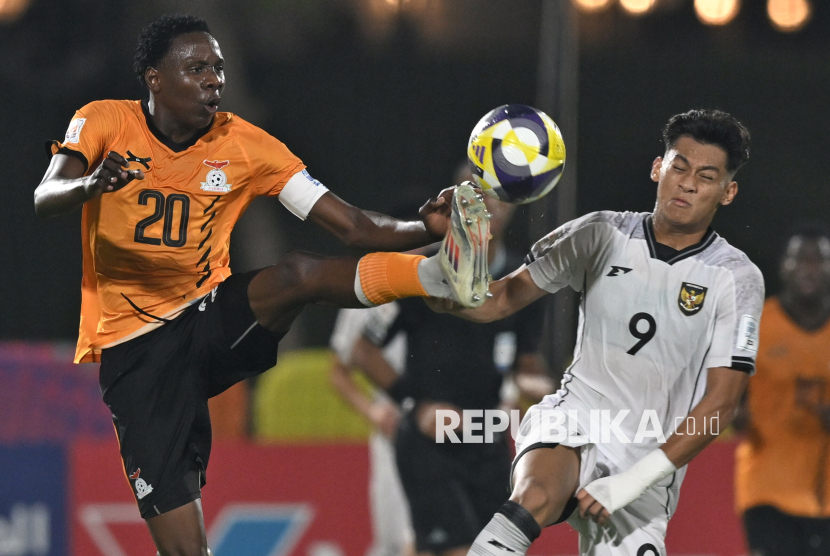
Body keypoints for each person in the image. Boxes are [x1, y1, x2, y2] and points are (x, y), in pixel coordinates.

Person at [33, 14, 489, 556]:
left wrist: (426, 229)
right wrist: (90, 183)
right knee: (185, 551)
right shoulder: (104, 121)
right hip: (136, 358)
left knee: (298, 273)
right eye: (197, 67)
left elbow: (354, 226)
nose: (213, 80)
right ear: (154, 77)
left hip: (206, 320)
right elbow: (46, 195)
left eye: (219, 69)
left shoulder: (245, 144)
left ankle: (436, 274)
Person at [431, 109, 765, 555]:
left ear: (728, 192)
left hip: (651, 458)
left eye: (706, 176)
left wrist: (630, 483)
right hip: (576, 418)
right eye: (678, 166)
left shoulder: (735, 277)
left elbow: (721, 403)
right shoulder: (600, 233)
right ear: (657, 168)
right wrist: (444, 279)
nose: (687, 183)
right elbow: (499, 300)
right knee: (532, 499)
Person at [350, 193, 548, 556]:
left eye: (500, 197)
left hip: (486, 433)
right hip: (430, 439)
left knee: (497, 550)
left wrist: (558, 398)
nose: (491, 207)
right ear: (460, 206)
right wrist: (416, 404)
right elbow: (362, 350)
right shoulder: (422, 269)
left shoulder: (525, 278)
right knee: (447, 550)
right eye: (481, 197)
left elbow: (526, 368)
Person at [735, 224, 830, 556]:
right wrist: (736, 414)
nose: (808, 268)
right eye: (799, 259)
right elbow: (726, 394)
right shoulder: (756, 326)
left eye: (818, 260)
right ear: (784, 267)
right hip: (767, 491)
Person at [329, 304, 415, 556]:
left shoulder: (455, 289)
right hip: (392, 435)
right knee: (392, 543)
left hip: (447, 430)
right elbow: (339, 372)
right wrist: (372, 411)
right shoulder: (368, 294)